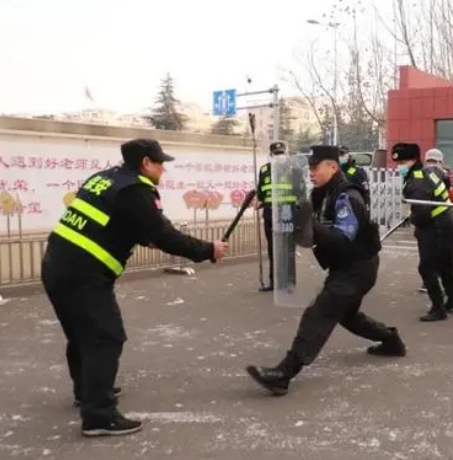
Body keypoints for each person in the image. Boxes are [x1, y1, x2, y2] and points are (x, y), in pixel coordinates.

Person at [41, 138, 228, 437]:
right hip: (84, 274)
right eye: (160, 164)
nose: (163, 170)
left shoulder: (105, 179)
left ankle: (88, 391)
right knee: (105, 337)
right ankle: (99, 416)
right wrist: (209, 249)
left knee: (82, 334)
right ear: (145, 163)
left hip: (56, 265)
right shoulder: (135, 191)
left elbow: (121, 223)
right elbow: (162, 234)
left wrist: (147, 234)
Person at [246, 145, 407, 396]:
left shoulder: (347, 196)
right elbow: (312, 231)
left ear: (332, 166)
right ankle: (390, 340)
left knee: (320, 311)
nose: (311, 173)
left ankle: (284, 374)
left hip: (358, 267)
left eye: (315, 168)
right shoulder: (322, 194)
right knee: (347, 315)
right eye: (309, 168)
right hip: (346, 265)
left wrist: (312, 227)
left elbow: (343, 238)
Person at [393, 142, 453, 322]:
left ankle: (438, 308)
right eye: (397, 163)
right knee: (446, 265)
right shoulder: (429, 172)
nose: (399, 167)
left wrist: (412, 218)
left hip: (435, 228)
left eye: (402, 162)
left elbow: (423, 213)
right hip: (448, 223)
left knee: (426, 268)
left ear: (414, 160)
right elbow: (445, 183)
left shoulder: (416, 181)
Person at [417, 148, 453, 295]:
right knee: (429, 258)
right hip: (434, 224)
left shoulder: (446, 176)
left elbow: (452, 196)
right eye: (429, 161)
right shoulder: (421, 175)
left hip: (442, 223)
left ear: (441, 162)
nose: (432, 164)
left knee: (439, 261)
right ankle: (449, 297)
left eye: (435, 161)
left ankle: (442, 301)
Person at [256, 141, 287, 292]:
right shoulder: (264, 170)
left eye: (281, 153)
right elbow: (261, 191)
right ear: (271, 155)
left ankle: (287, 282)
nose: (279, 157)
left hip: (285, 213)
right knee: (272, 249)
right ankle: (274, 282)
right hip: (269, 213)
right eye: (276, 154)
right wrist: (260, 202)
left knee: (285, 249)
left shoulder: (291, 169)